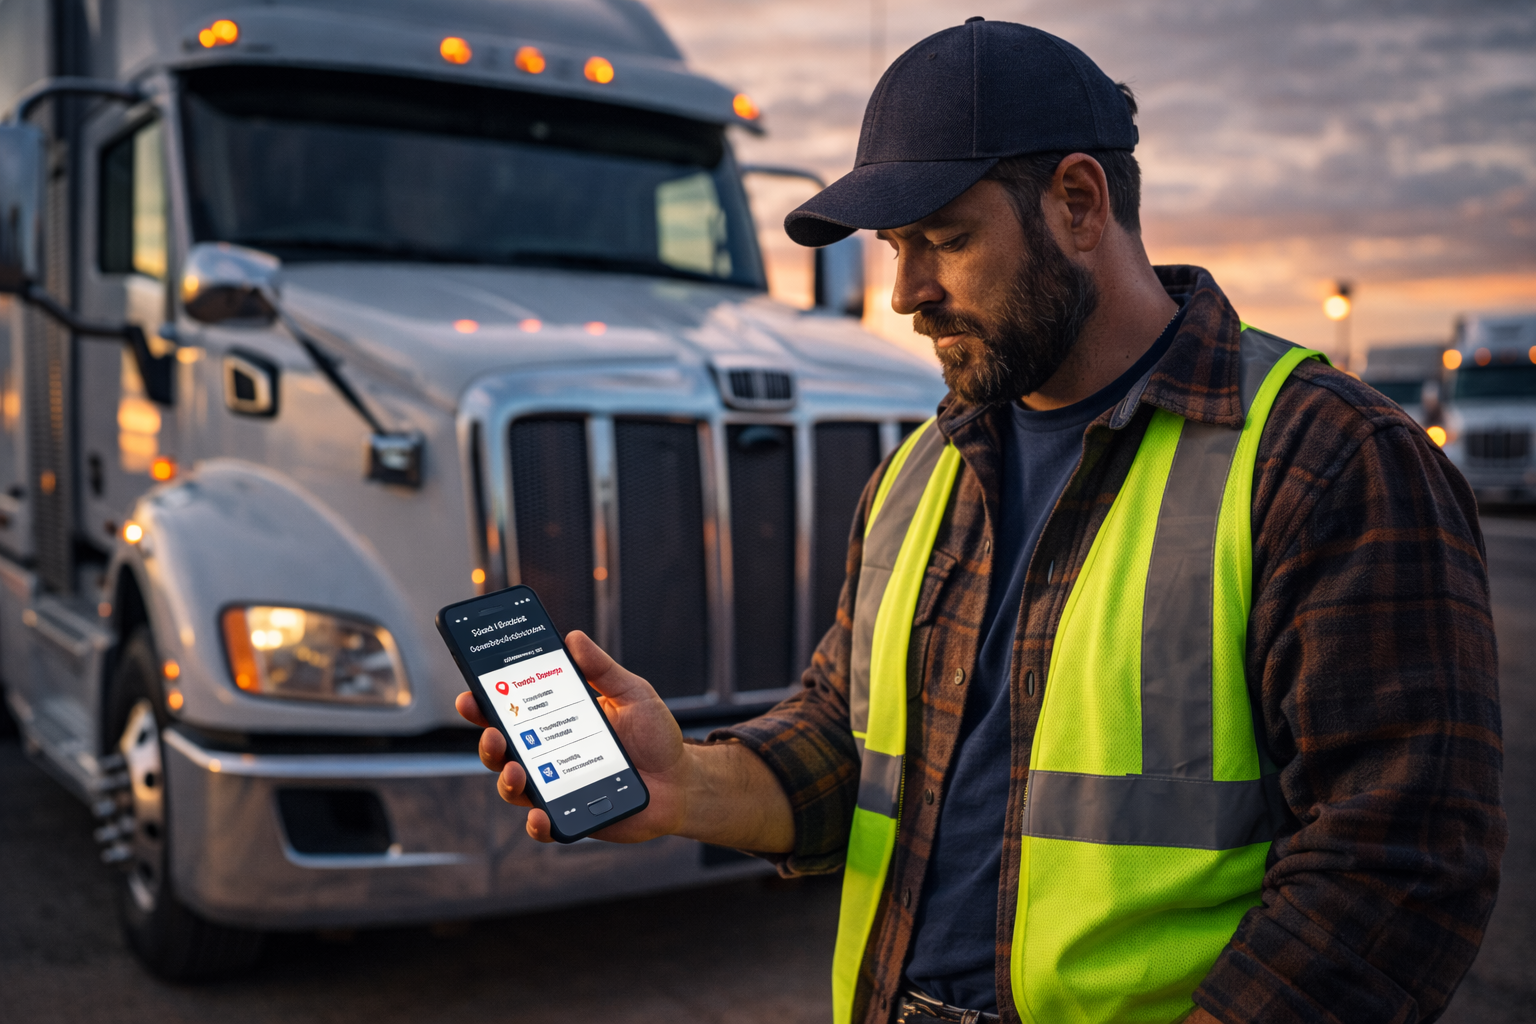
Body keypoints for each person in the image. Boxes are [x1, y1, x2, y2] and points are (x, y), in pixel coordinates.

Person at [457, 18, 1504, 1024]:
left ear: (1080, 204)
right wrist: (686, 780)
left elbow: (1395, 867)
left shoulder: (1325, 460)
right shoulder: (925, 467)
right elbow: (844, 739)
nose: (907, 291)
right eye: (894, 248)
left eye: (945, 240)